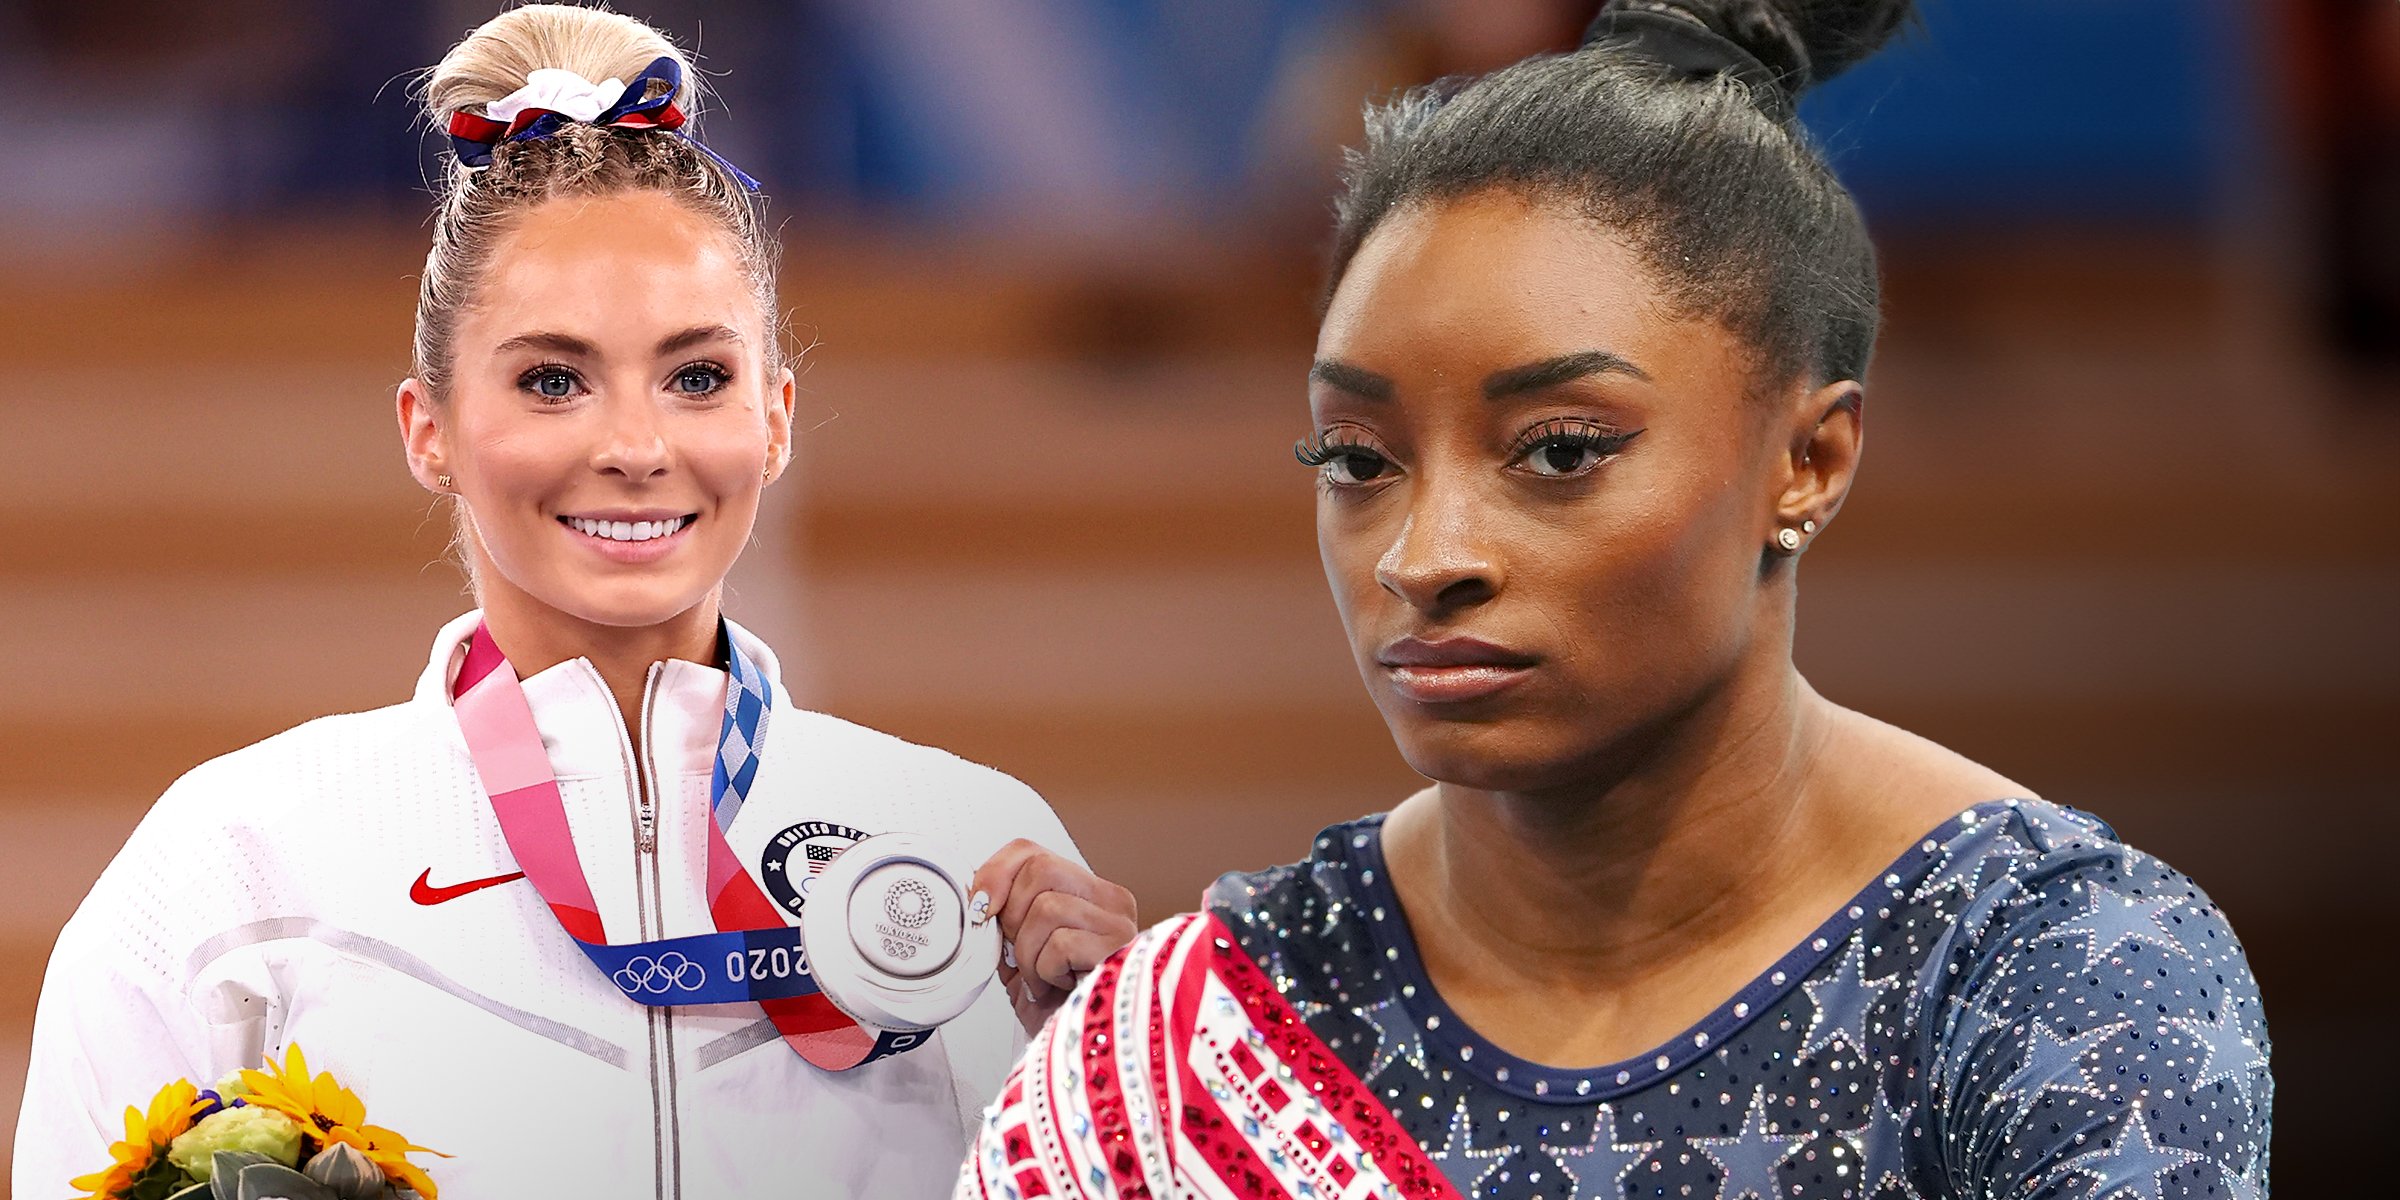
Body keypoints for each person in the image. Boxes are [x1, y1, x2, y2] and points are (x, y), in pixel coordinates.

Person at [961, 3, 2272, 1198]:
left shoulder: (2060, 970)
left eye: (1562, 449)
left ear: (1805, 460)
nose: (1426, 555)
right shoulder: (1221, 1027)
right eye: (1358, 460)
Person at [15, 6, 1137, 1198]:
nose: (637, 445)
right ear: (429, 429)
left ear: (776, 419)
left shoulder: (966, 852)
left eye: (697, 376)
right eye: (554, 380)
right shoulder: (233, 870)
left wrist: (1122, 1074)